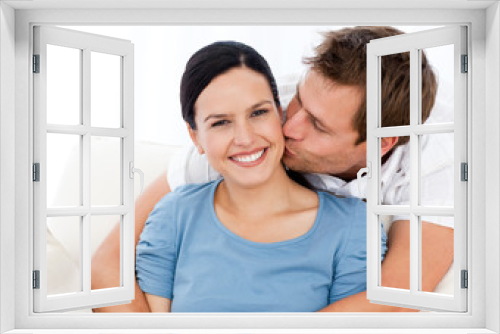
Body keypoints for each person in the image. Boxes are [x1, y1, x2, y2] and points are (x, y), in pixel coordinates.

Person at [91, 26, 453, 312]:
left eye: (318, 126)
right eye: (298, 100)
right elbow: (109, 261)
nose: (289, 127)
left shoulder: (437, 161)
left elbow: (395, 302)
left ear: (380, 144)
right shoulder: (254, 117)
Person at [133, 41, 386, 312]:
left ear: (280, 113)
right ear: (195, 136)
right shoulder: (174, 216)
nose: (245, 138)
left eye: (258, 113)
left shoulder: (354, 229)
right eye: (220, 122)